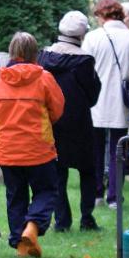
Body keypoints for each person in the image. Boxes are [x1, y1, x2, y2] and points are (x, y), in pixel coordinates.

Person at [0, 32, 65, 257]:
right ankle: (33, 227)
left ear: (12, 52)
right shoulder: (44, 77)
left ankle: (20, 243)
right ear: (34, 53)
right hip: (39, 149)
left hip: (8, 151)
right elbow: (57, 110)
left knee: (15, 196)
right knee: (47, 191)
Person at [36, 12, 101, 232]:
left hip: (52, 122)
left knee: (58, 171)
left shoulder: (44, 57)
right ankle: (87, 218)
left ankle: (62, 221)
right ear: (82, 34)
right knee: (88, 170)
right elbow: (93, 93)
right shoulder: (84, 61)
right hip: (79, 122)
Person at [81, 0, 129, 208]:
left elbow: (85, 69)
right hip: (121, 99)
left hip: (95, 100)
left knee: (95, 149)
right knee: (119, 150)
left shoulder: (92, 38)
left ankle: (97, 192)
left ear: (101, 15)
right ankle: (115, 196)